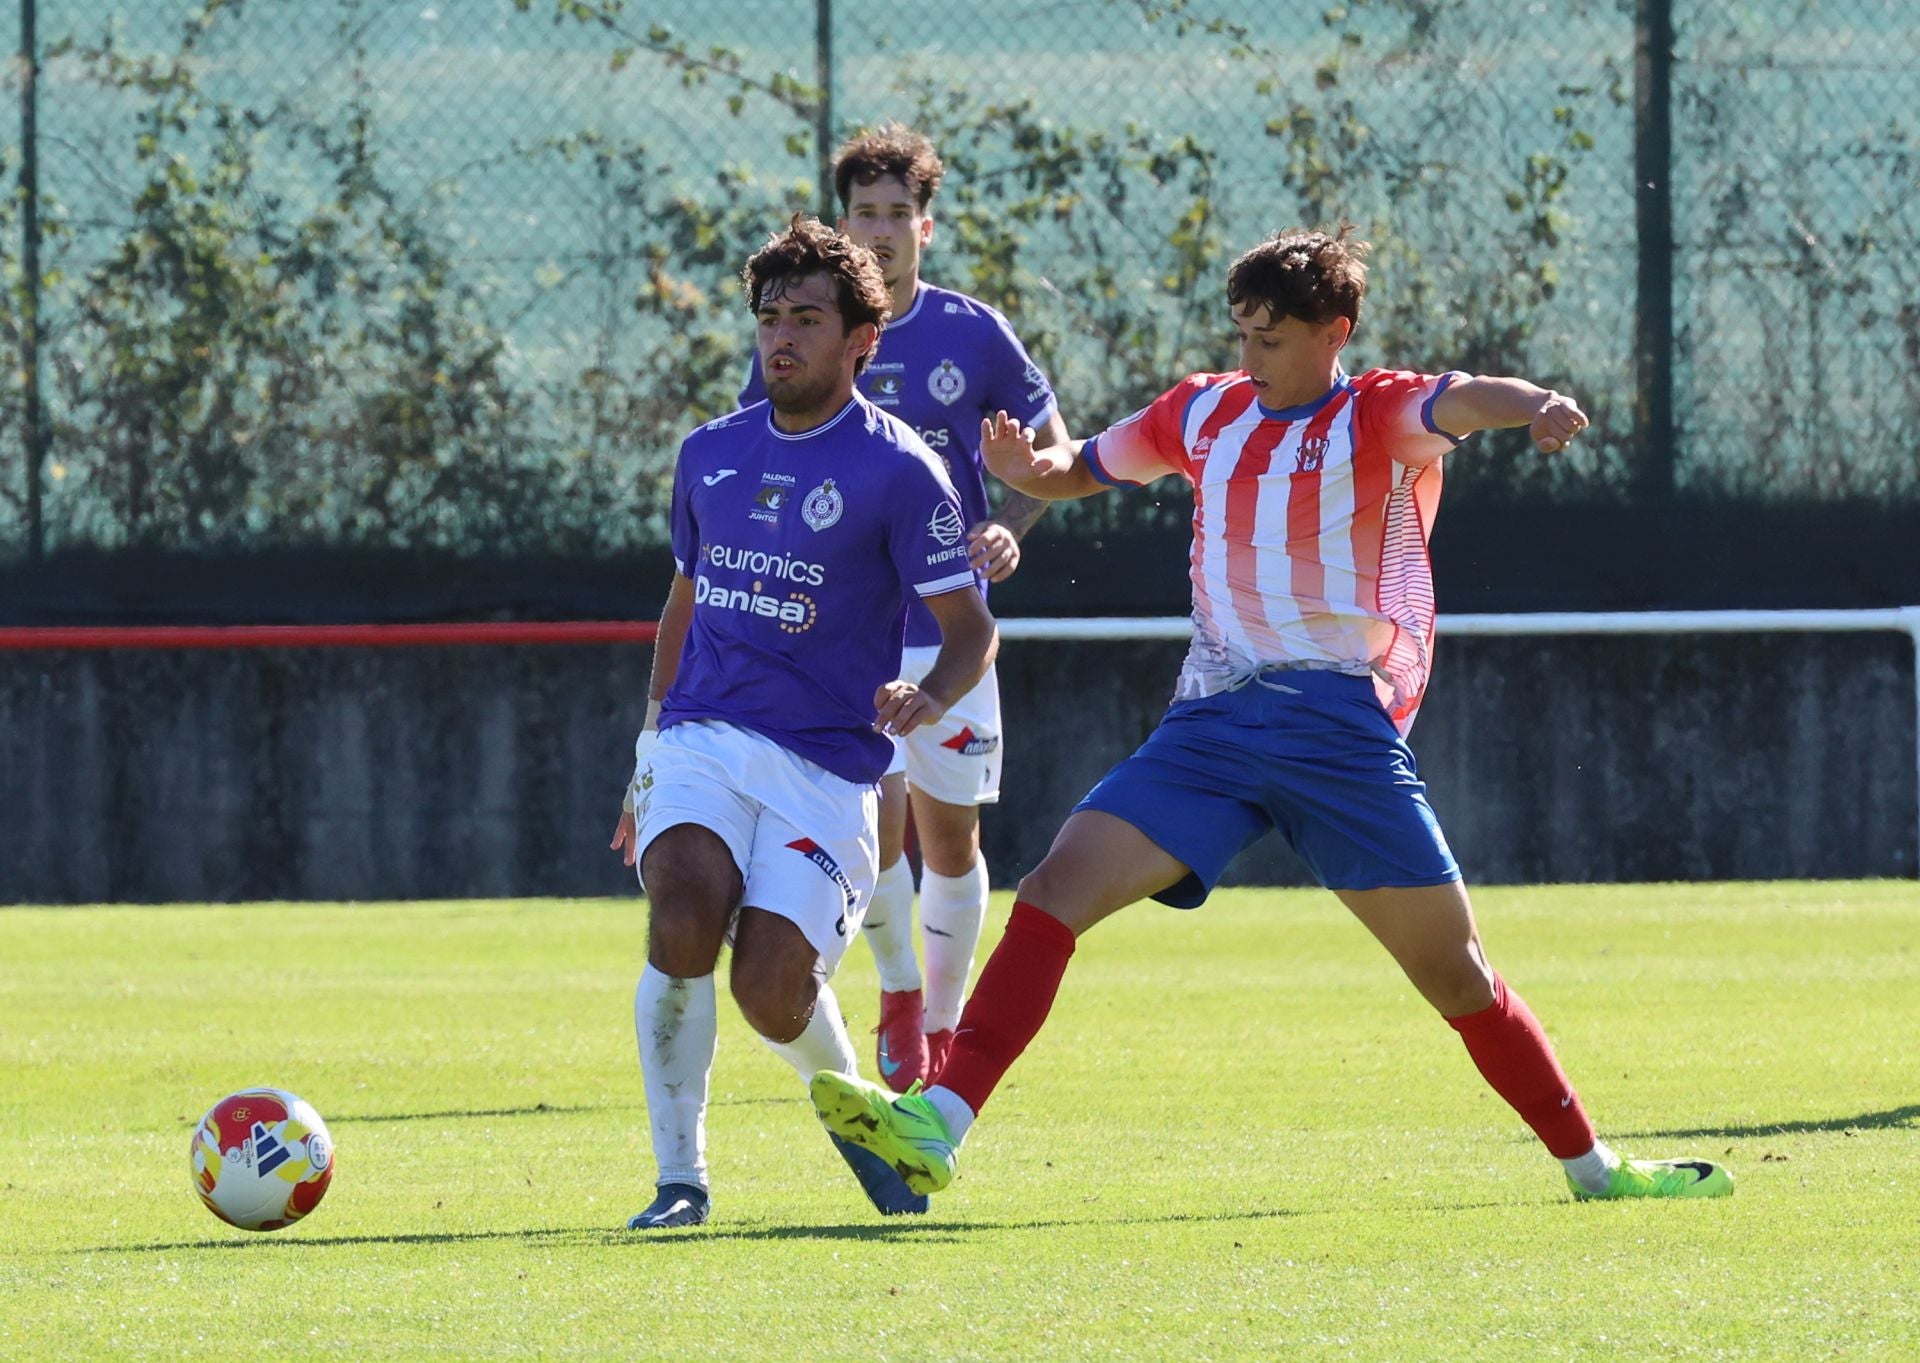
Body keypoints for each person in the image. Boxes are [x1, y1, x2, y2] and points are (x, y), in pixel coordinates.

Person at [811, 224, 1736, 1205]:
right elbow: (1080, 465)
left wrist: (1541, 404)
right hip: (1209, 727)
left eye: (1272, 338)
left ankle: (1596, 1170)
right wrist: (1027, 466)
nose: (1249, 357)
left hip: (1335, 733)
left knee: (1458, 977)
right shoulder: (1204, 410)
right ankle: (939, 1127)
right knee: (1049, 893)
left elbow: (1468, 398)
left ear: (1335, 330)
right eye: (1243, 333)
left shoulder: (1377, 412)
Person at [609, 215, 998, 1229]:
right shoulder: (710, 454)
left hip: (828, 771)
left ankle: (860, 1120)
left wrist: (933, 698)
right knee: (684, 908)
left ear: (860, 339)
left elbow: (971, 629)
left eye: (807, 319)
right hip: (701, 737)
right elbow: (681, 608)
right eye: (770, 318)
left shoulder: (904, 470)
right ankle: (678, 1181)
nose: (781, 337)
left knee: (770, 988)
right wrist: (650, 753)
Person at [741, 124, 1067, 1093]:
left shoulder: (974, 332)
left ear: (925, 225)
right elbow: (763, 456)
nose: (880, 231)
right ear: (844, 221)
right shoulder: (811, 325)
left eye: (897, 214)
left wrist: (1012, 522)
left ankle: (946, 1018)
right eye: (864, 213)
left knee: (951, 835)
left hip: (946, 630)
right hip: (844, 635)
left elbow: (1054, 452)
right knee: (876, 823)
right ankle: (899, 993)